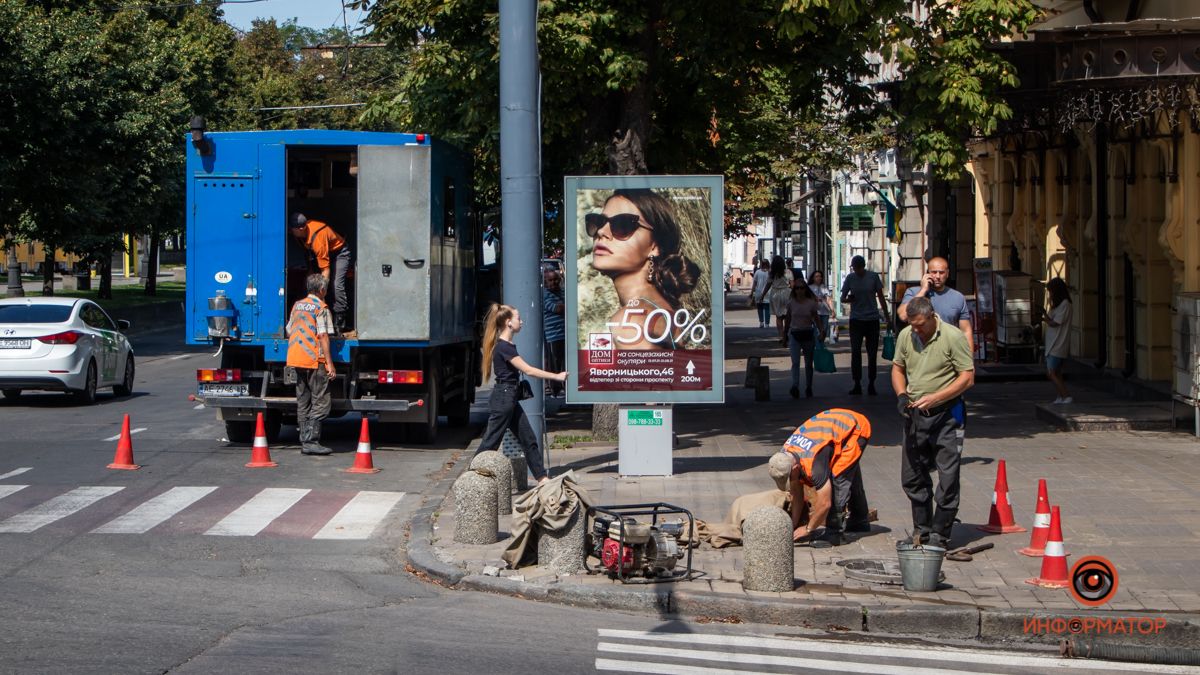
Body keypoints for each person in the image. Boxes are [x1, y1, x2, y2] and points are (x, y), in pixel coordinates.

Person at [890, 296, 975, 549]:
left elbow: (967, 378)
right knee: (913, 475)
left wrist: (936, 398)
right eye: (912, 325)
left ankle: (941, 532)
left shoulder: (952, 337)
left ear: (931, 317)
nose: (916, 330)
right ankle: (922, 529)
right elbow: (897, 368)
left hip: (947, 415)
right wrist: (902, 395)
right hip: (915, 415)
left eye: (919, 325)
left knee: (948, 477)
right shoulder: (907, 335)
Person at [587, 189, 701, 350]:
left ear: (655, 246)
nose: (601, 232)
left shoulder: (630, 322)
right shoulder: (660, 307)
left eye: (622, 225)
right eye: (598, 222)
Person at [477, 304, 568, 483]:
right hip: (504, 398)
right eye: (518, 318)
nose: (522, 321)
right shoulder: (504, 347)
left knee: (528, 439)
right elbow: (529, 370)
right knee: (491, 442)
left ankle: (542, 479)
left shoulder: (506, 346)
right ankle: (471, 478)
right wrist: (557, 376)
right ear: (509, 323)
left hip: (508, 398)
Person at [768, 408, 873, 547]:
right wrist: (792, 526)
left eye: (789, 478)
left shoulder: (814, 465)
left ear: (794, 468)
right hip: (834, 426)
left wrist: (808, 529)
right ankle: (860, 521)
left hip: (855, 428)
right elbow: (796, 492)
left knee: (838, 479)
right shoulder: (785, 455)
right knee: (847, 471)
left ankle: (835, 533)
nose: (790, 481)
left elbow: (825, 503)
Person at [286, 274, 337, 456]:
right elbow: (323, 335)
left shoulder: (297, 305)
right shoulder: (321, 308)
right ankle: (311, 441)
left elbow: (289, 329)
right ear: (322, 290)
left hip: (296, 357)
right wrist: (330, 364)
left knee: (303, 400)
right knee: (321, 402)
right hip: (314, 360)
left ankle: (304, 439)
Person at [290, 213, 353, 333]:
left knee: (336, 285)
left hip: (340, 254)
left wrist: (321, 294)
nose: (290, 231)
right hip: (319, 254)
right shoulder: (300, 233)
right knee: (310, 282)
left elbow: (325, 269)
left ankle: (339, 322)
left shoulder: (318, 238)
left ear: (301, 228)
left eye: (292, 229)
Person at [898, 257, 973, 353]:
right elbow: (903, 316)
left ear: (947, 274)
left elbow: (966, 331)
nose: (937, 276)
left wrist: (969, 361)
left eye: (941, 272)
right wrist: (923, 290)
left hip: (949, 352)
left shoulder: (958, 297)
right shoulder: (913, 292)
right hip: (919, 351)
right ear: (927, 273)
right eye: (934, 272)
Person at [840, 255, 888, 395]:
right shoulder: (850, 278)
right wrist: (850, 299)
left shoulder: (873, 277)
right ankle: (857, 383)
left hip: (872, 319)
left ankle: (872, 383)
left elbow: (880, 296)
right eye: (855, 268)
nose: (857, 271)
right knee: (856, 352)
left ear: (863, 266)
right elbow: (843, 297)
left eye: (858, 268)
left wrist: (886, 317)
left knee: (872, 353)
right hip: (856, 320)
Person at [784, 279, 820, 399]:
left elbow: (816, 318)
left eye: (802, 288)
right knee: (795, 362)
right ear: (794, 290)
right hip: (794, 335)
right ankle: (795, 386)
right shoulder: (791, 303)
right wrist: (784, 335)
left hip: (808, 334)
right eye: (797, 288)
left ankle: (808, 387)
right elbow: (788, 319)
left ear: (806, 289)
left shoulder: (811, 303)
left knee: (809, 363)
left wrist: (822, 331)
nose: (800, 290)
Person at [1043, 277, 1073, 404]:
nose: (1051, 295)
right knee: (1057, 372)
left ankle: (1066, 396)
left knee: (1051, 372)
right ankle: (1061, 396)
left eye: (1051, 292)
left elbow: (1055, 323)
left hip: (1057, 344)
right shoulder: (1058, 305)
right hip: (1053, 343)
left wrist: (1046, 320)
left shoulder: (1065, 304)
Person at [542, 268, 566, 397]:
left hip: (566, 333)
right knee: (554, 362)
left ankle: (565, 386)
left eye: (556, 279)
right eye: (550, 280)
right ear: (545, 282)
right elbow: (556, 308)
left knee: (565, 362)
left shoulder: (562, 292)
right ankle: (555, 388)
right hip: (553, 334)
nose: (554, 282)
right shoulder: (544, 294)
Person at [766, 255, 794, 346]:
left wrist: (762, 295)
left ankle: (781, 336)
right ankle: (786, 334)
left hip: (775, 294)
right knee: (787, 316)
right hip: (787, 293)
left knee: (779, 317)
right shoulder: (788, 272)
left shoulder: (772, 273)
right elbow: (792, 285)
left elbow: (768, 285)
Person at [809, 270, 833, 344]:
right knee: (817, 329)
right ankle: (817, 345)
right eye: (816, 276)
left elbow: (828, 299)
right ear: (813, 278)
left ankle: (820, 343)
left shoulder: (824, 287)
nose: (819, 278)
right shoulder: (809, 287)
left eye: (820, 276)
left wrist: (832, 309)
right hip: (815, 311)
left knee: (824, 329)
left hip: (825, 311)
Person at [751, 259, 771, 328]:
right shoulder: (770, 272)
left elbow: (754, 283)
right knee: (767, 308)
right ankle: (767, 323)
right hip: (768, 292)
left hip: (758, 292)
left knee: (760, 308)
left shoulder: (757, 272)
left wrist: (751, 292)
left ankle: (761, 322)